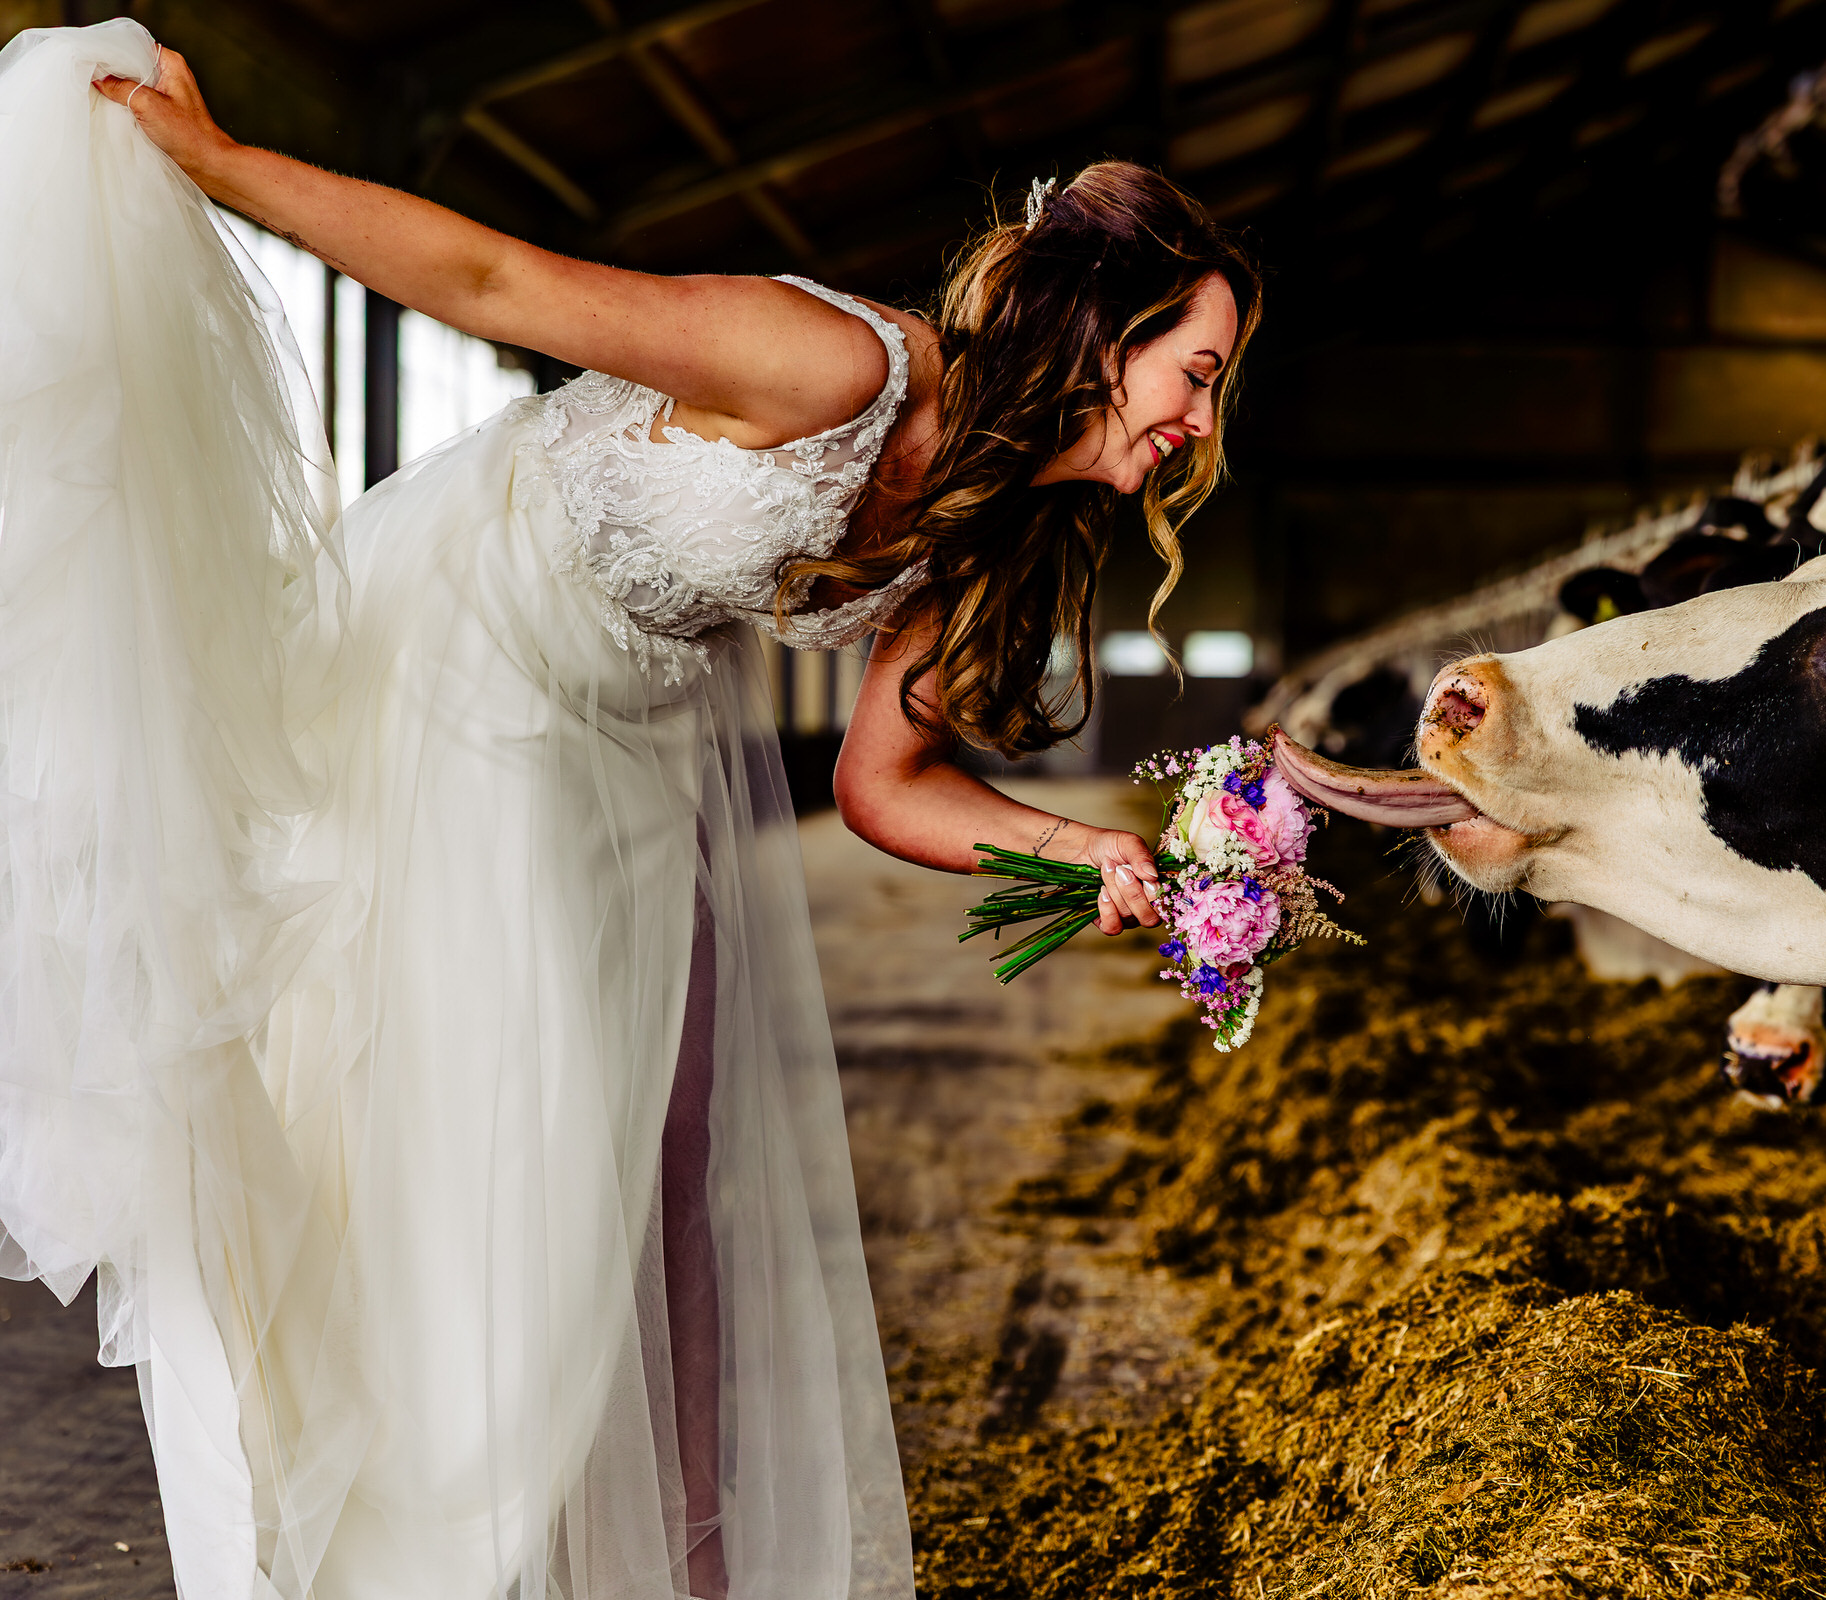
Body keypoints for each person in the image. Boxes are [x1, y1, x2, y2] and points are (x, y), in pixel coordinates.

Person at [0, 19, 1259, 1600]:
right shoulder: (838, 365)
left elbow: (883, 786)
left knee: (671, 1157)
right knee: (540, 1131)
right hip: (475, 648)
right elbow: (495, 288)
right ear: (1103, 329)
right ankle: (451, 1545)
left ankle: (671, 1564)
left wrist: (1085, 849)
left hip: (640, 712)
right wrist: (224, 164)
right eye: (1196, 373)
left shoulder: (979, 528)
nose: (1203, 424)